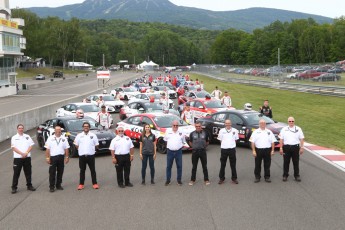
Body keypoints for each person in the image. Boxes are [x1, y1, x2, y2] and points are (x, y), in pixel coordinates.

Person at [11, 124, 36, 194]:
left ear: (23, 129)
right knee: (16, 173)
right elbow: (13, 148)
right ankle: (14, 187)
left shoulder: (27, 136)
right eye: (19, 128)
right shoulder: (14, 137)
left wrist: (26, 153)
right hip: (18, 158)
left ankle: (29, 185)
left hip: (27, 157)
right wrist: (22, 153)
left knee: (28, 172)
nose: (21, 129)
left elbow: (31, 145)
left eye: (22, 128)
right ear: (17, 129)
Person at [74, 122, 99, 190]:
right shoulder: (79, 136)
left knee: (93, 170)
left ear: (89, 127)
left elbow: (97, 144)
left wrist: (92, 149)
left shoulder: (93, 135)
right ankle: (81, 184)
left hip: (91, 155)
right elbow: (76, 145)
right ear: (83, 127)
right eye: (85, 126)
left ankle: (95, 183)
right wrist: (81, 149)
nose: (86, 127)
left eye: (87, 126)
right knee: (82, 170)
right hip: (82, 156)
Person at [44, 126, 70, 192]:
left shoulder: (64, 138)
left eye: (59, 130)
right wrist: (47, 158)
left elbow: (66, 148)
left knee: (60, 172)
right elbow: (47, 149)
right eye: (57, 130)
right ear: (54, 131)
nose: (58, 131)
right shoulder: (50, 138)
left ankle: (58, 185)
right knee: (52, 172)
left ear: (61, 131)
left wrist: (67, 157)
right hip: (53, 157)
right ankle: (51, 187)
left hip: (61, 157)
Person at [279, 117, 305, 182]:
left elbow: (301, 138)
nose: (291, 122)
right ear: (288, 122)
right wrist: (281, 148)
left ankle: (297, 175)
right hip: (286, 147)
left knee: (296, 162)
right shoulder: (284, 129)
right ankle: (285, 175)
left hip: (295, 147)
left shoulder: (298, 129)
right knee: (286, 162)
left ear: (294, 121)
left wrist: (302, 147)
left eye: (292, 121)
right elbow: (281, 139)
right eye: (290, 121)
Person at [164, 120, 186, 186]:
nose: (175, 126)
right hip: (170, 151)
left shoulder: (181, 133)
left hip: (178, 152)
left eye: (177, 125)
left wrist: (178, 146)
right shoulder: (168, 132)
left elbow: (183, 141)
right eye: (174, 125)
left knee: (179, 166)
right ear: (172, 125)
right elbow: (165, 140)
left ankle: (179, 180)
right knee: (168, 166)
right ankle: (168, 180)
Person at [218, 119, 239, 185]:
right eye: (226, 123)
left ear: (231, 123)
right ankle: (221, 178)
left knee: (233, 165)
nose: (228, 124)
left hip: (232, 149)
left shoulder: (235, 130)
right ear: (225, 124)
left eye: (229, 123)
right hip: (224, 149)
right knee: (222, 165)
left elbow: (236, 140)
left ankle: (234, 178)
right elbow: (220, 140)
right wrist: (225, 145)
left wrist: (231, 145)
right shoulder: (221, 131)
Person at [188, 121, 210, 186]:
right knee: (194, 167)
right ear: (195, 127)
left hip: (203, 151)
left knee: (204, 166)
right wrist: (194, 147)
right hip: (195, 152)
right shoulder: (192, 134)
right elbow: (190, 142)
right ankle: (192, 180)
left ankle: (206, 180)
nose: (198, 127)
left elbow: (207, 142)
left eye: (199, 126)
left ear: (201, 126)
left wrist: (203, 147)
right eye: (197, 126)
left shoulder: (205, 133)